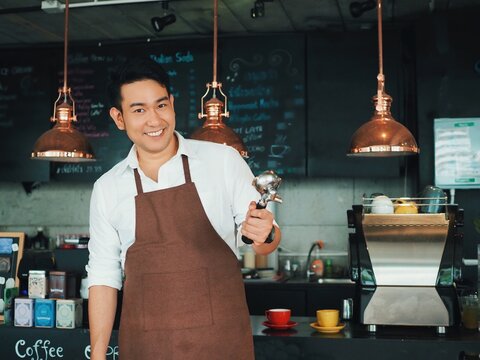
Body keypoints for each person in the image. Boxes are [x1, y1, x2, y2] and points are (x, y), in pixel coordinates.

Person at [86, 57, 281, 360]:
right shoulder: (107, 188)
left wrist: (264, 234)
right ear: (119, 117)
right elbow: (102, 277)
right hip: (145, 348)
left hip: (221, 345)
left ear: (172, 104)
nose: (154, 120)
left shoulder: (223, 161)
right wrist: (97, 356)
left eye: (161, 106)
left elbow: (266, 241)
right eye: (139, 110)